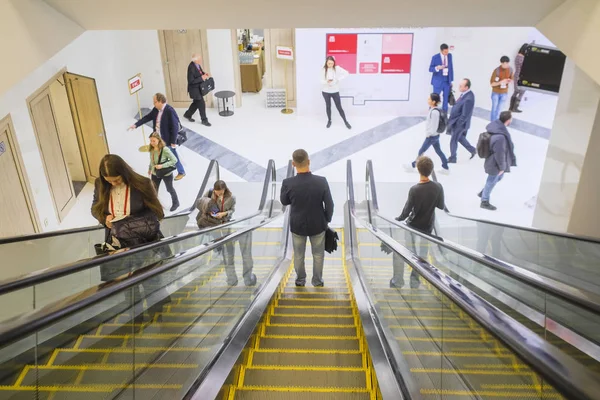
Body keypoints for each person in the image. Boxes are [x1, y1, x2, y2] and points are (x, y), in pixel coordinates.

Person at [91, 154, 169, 323]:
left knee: (150, 278)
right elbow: (95, 208)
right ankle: (137, 318)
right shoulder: (100, 184)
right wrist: (104, 219)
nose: (113, 184)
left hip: (143, 243)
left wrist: (130, 223)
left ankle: (157, 313)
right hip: (118, 244)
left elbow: (158, 213)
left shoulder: (142, 184)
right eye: (109, 181)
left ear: (124, 173)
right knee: (127, 283)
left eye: (116, 180)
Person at [280, 149, 334, 287]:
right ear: (308, 161)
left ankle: (300, 280)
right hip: (318, 225)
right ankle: (317, 281)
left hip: (297, 225)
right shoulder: (321, 181)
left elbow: (284, 201)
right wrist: (326, 220)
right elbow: (330, 204)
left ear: (293, 164)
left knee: (298, 255)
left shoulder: (288, 182)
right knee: (318, 255)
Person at [392, 156, 445, 289]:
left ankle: (398, 280)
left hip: (412, 226)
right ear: (431, 170)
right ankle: (414, 281)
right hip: (427, 227)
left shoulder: (414, 189)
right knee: (422, 253)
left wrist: (397, 219)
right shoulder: (438, 187)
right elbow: (441, 206)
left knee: (408, 251)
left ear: (418, 170)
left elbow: (406, 211)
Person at [129, 93, 185, 180]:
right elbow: (147, 117)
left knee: (172, 155)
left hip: (167, 140)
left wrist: (173, 142)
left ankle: (181, 172)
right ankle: (161, 172)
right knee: (158, 155)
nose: (154, 104)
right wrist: (136, 125)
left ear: (160, 102)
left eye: (155, 102)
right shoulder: (156, 110)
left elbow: (175, 127)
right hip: (157, 138)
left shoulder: (169, 110)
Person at [478, 111, 516, 211]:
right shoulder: (500, 137)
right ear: (508, 121)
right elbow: (500, 154)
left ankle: (484, 192)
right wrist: (502, 167)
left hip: (493, 161)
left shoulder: (496, 128)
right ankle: (484, 201)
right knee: (491, 180)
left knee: (498, 178)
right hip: (495, 164)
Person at [411, 93, 449, 172]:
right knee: (438, 151)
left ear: (433, 101)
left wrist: (428, 134)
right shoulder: (433, 110)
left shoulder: (435, 112)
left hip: (432, 136)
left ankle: (413, 165)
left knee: (421, 151)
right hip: (435, 136)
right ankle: (445, 167)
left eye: (429, 99)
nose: (428, 100)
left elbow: (434, 126)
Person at [148, 132, 180, 212]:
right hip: (155, 173)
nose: (152, 143)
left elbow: (174, 160)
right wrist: (150, 168)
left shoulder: (165, 149)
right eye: (151, 141)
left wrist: (162, 166)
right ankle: (155, 206)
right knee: (154, 190)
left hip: (166, 173)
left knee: (169, 189)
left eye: (154, 141)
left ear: (159, 140)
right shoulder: (151, 149)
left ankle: (176, 203)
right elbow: (152, 160)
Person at [447, 78, 477, 163]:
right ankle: (473, 150)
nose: (459, 87)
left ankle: (453, 158)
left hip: (459, 124)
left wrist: (457, 124)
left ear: (466, 87)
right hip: (456, 122)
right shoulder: (464, 94)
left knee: (453, 140)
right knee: (460, 138)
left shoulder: (469, 98)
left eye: (461, 86)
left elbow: (465, 115)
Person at [321, 56, 351, 129]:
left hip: (335, 91)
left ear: (334, 63)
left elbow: (347, 73)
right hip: (325, 91)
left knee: (339, 107)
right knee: (328, 106)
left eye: (331, 63)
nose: (330, 65)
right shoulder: (323, 69)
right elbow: (320, 80)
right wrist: (326, 82)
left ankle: (345, 121)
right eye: (329, 63)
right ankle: (329, 120)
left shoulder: (337, 68)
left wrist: (338, 79)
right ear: (326, 63)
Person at [183, 53, 211, 127]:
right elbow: (191, 81)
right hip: (194, 89)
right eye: (199, 59)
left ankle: (187, 114)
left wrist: (204, 74)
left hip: (199, 88)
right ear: (195, 60)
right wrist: (202, 78)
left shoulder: (197, 65)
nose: (201, 60)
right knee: (201, 104)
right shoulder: (191, 68)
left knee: (196, 103)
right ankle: (204, 120)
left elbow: (199, 73)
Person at [429, 43, 454, 113]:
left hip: (446, 81)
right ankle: (432, 112)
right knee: (435, 98)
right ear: (441, 50)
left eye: (447, 51)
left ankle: (444, 114)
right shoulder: (435, 57)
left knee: (446, 99)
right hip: (438, 81)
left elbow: (451, 68)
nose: (446, 53)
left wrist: (451, 81)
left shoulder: (450, 56)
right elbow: (430, 69)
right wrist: (437, 68)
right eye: (445, 52)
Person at [490, 56, 514, 121]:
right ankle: (492, 122)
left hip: (504, 93)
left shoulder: (510, 70)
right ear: (501, 63)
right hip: (495, 92)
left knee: (499, 110)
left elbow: (512, 79)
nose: (506, 65)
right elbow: (492, 84)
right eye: (504, 64)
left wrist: (509, 80)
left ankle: (497, 123)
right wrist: (500, 82)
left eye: (507, 63)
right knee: (494, 109)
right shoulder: (496, 71)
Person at [509, 44, 528, 113]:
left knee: (515, 91)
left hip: (516, 75)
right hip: (521, 76)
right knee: (522, 92)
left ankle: (511, 107)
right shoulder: (522, 58)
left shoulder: (517, 56)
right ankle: (515, 108)